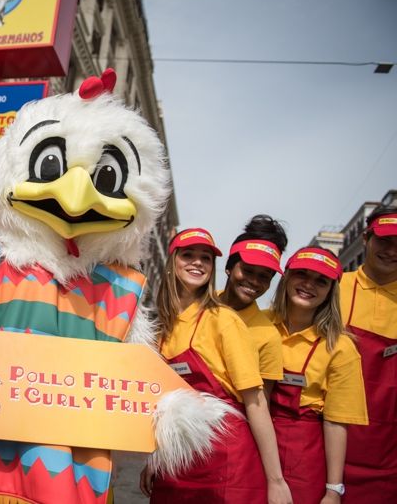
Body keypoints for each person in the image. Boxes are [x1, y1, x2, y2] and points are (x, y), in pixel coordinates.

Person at [142, 228, 291, 504]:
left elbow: (256, 402)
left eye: (206, 258)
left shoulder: (224, 320)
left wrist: (276, 481)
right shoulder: (162, 327)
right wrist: (156, 458)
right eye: (188, 255)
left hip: (225, 460)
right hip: (177, 462)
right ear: (172, 262)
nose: (197, 262)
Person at [268, 246, 368, 503]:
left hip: (305, 460)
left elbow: (336, 423)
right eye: (302, 274)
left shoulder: (341, 347)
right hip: (253, 448)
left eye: (321, 281)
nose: (309, 285)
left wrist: (333, 490)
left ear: (330, 292)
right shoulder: (258, 324)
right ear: (287, 276)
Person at [340, 207, 397, 503]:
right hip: (333, 441)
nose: (391, 251)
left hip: (388, 453)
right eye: (384, 241)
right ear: (366, 239)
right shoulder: (334, 288)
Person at [218, 215, 288, 393]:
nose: (254, 281)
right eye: (248, 270)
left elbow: (259, 404)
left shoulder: (269, 338)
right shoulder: (197, 305)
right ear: (229, 267)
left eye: (264, 276)